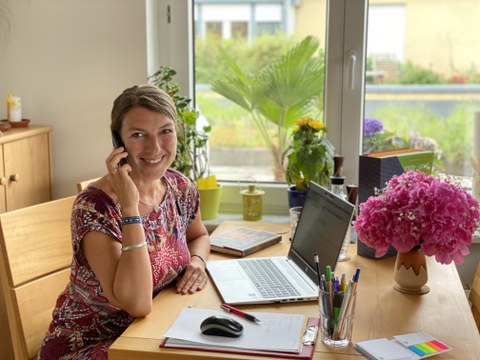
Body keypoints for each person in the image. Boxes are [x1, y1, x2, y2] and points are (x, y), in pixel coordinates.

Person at [38, 84, 211, 359]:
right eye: (138, 134)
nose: (154, 147)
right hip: (94, 344)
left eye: (165, 131)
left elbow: (199, 236)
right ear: (118, 142)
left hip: (152, 332)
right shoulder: (95, 207)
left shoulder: (180, 187)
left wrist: (198, 262)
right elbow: (138, 303)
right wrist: (130, 207)